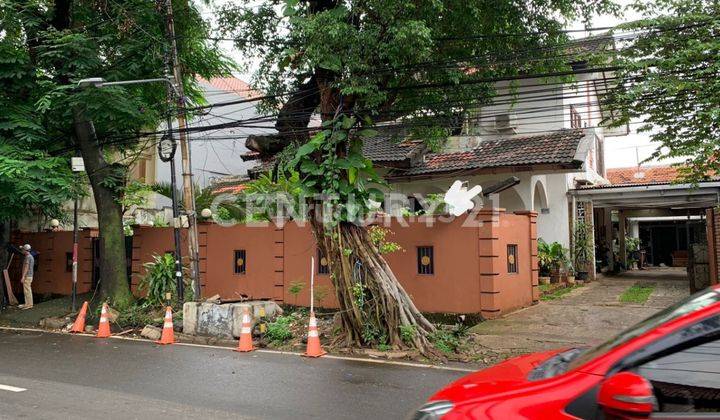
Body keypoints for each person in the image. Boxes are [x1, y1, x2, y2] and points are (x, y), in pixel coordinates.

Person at [18, 244, 34, 309]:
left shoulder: (28, 257)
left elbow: (26, 267)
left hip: (27, 276)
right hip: (29, 276)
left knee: (27, 291)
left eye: (23, 250)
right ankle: (27, 303)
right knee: (26, 290)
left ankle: (29, 305)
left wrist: (23, 276)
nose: (22, 251)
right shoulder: (30, 256)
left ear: (25, 250)